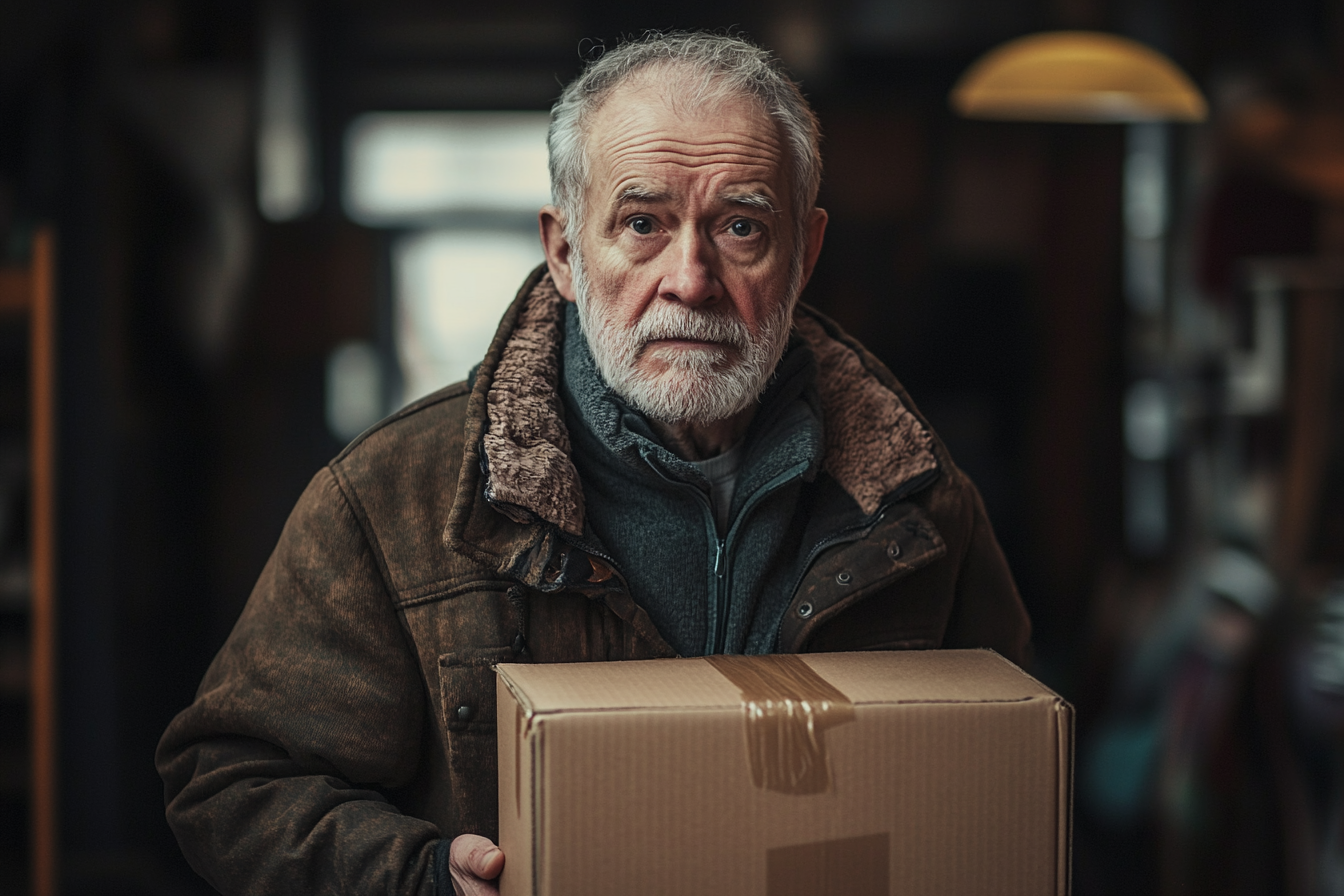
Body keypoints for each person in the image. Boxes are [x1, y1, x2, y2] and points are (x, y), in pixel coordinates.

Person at [157, 31, 1030, 896]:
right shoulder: (392, 500)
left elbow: (1005, 777)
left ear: (804, 254)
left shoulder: (915, 508)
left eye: (740, 226)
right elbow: (230, 781)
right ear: (566, 252)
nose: (691, 278)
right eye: (643, 224)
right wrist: (421, 877)